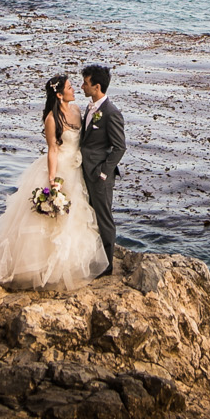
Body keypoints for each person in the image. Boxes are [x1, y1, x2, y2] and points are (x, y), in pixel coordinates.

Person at [0, 72, 109, 290]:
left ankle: (69, 265)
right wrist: (52, 180)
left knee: (75, 217)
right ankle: (41, 267)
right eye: (70, 87)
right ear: (59, 95)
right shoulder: (52, 119)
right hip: (60, 168)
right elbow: (52, 149)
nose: (74, 89)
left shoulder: (78, 110)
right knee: (51, 219)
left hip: (77, 167)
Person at [78, 63, 126, 276]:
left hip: (99, 176)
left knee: (104, 218)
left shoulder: (110, 112)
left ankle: (107, 266)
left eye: (86, 83)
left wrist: (104, 172)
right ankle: (92, 258)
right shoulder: (90, 108)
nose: (82, 86)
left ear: (97, 87)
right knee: (88, 216)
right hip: (85, 171)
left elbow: (120, 147)